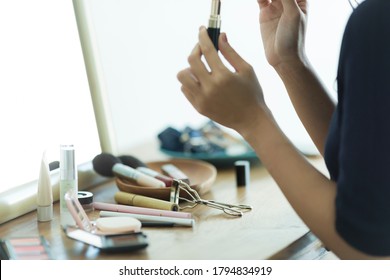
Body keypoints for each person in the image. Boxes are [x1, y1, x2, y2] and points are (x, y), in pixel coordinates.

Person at [177, 0, 390, 259]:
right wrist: (289, 62)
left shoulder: (377, 20)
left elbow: (368, 251)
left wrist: (252, 121)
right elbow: (371, 175)